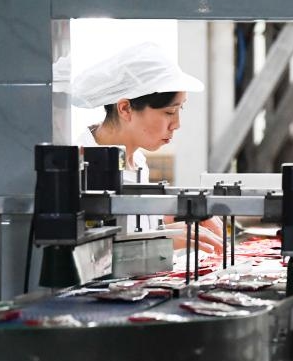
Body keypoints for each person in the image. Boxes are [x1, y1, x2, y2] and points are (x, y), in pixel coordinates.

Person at [69, 42, 224, 255]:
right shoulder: (80, 168)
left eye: (181, 109)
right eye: (170, 112)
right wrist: (161, 239)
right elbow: (92, 255)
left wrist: (176, 224)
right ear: (125, 108)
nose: (176, 124)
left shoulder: (137, 160)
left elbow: (131, 231)